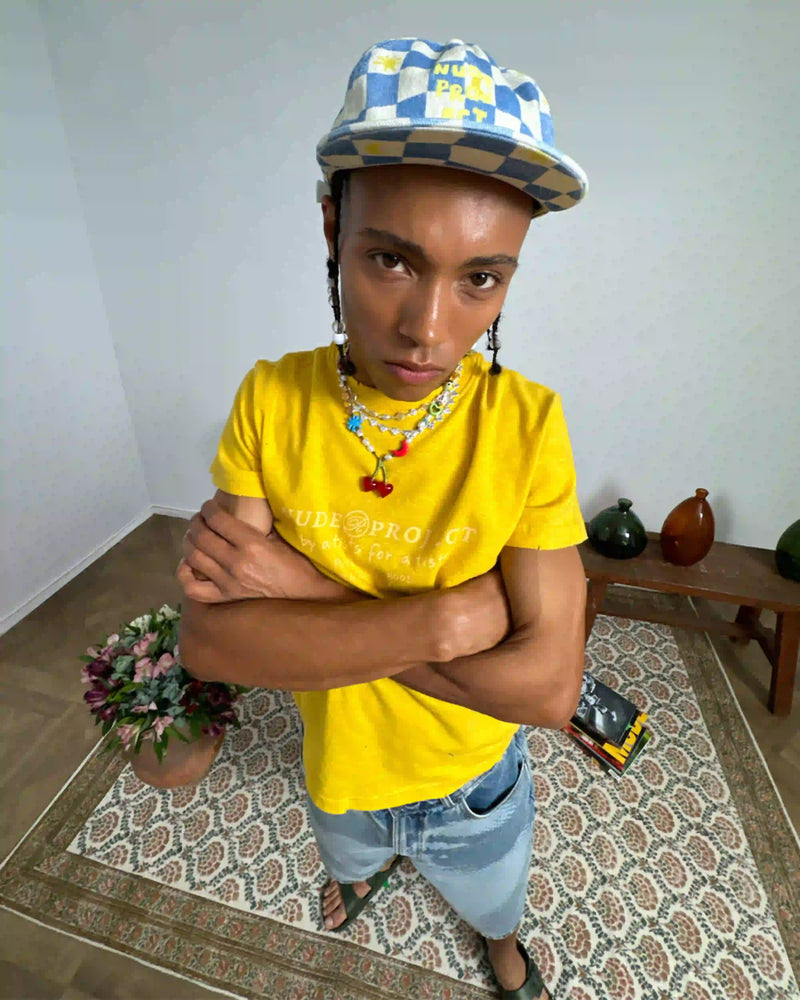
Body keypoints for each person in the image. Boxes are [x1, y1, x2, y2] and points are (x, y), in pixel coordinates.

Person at [177, 37, 590, 999]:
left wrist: (304, 589)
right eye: (392, 260)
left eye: (481, 278)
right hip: (341, 769)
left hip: (475, 782)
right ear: (333, 226)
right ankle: (360, 878)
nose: (429, 329)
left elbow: (547, 691)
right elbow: (211, 642)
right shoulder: (271, 400)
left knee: (495, 900)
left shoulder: (528, 426)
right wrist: (443, 620)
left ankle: (500, 948)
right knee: (350, 854)